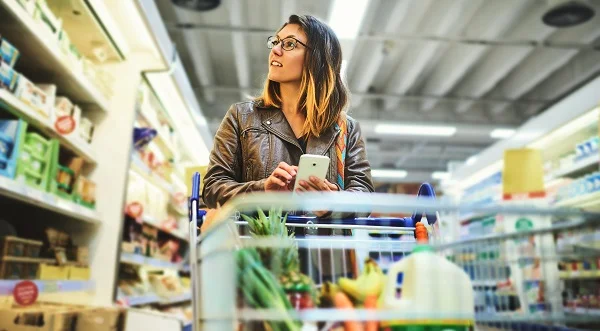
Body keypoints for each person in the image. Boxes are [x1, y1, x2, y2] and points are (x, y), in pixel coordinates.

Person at [202, 14, 374, 213]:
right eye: (276, 42)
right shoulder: (241, 117)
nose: (275, 50)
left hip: (322, 243)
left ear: (317, 59)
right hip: (259, 243)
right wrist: (262, 191)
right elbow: (212, 189)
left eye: (290, 44)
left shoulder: (345, 128)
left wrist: (331, 203)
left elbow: (365, 197)